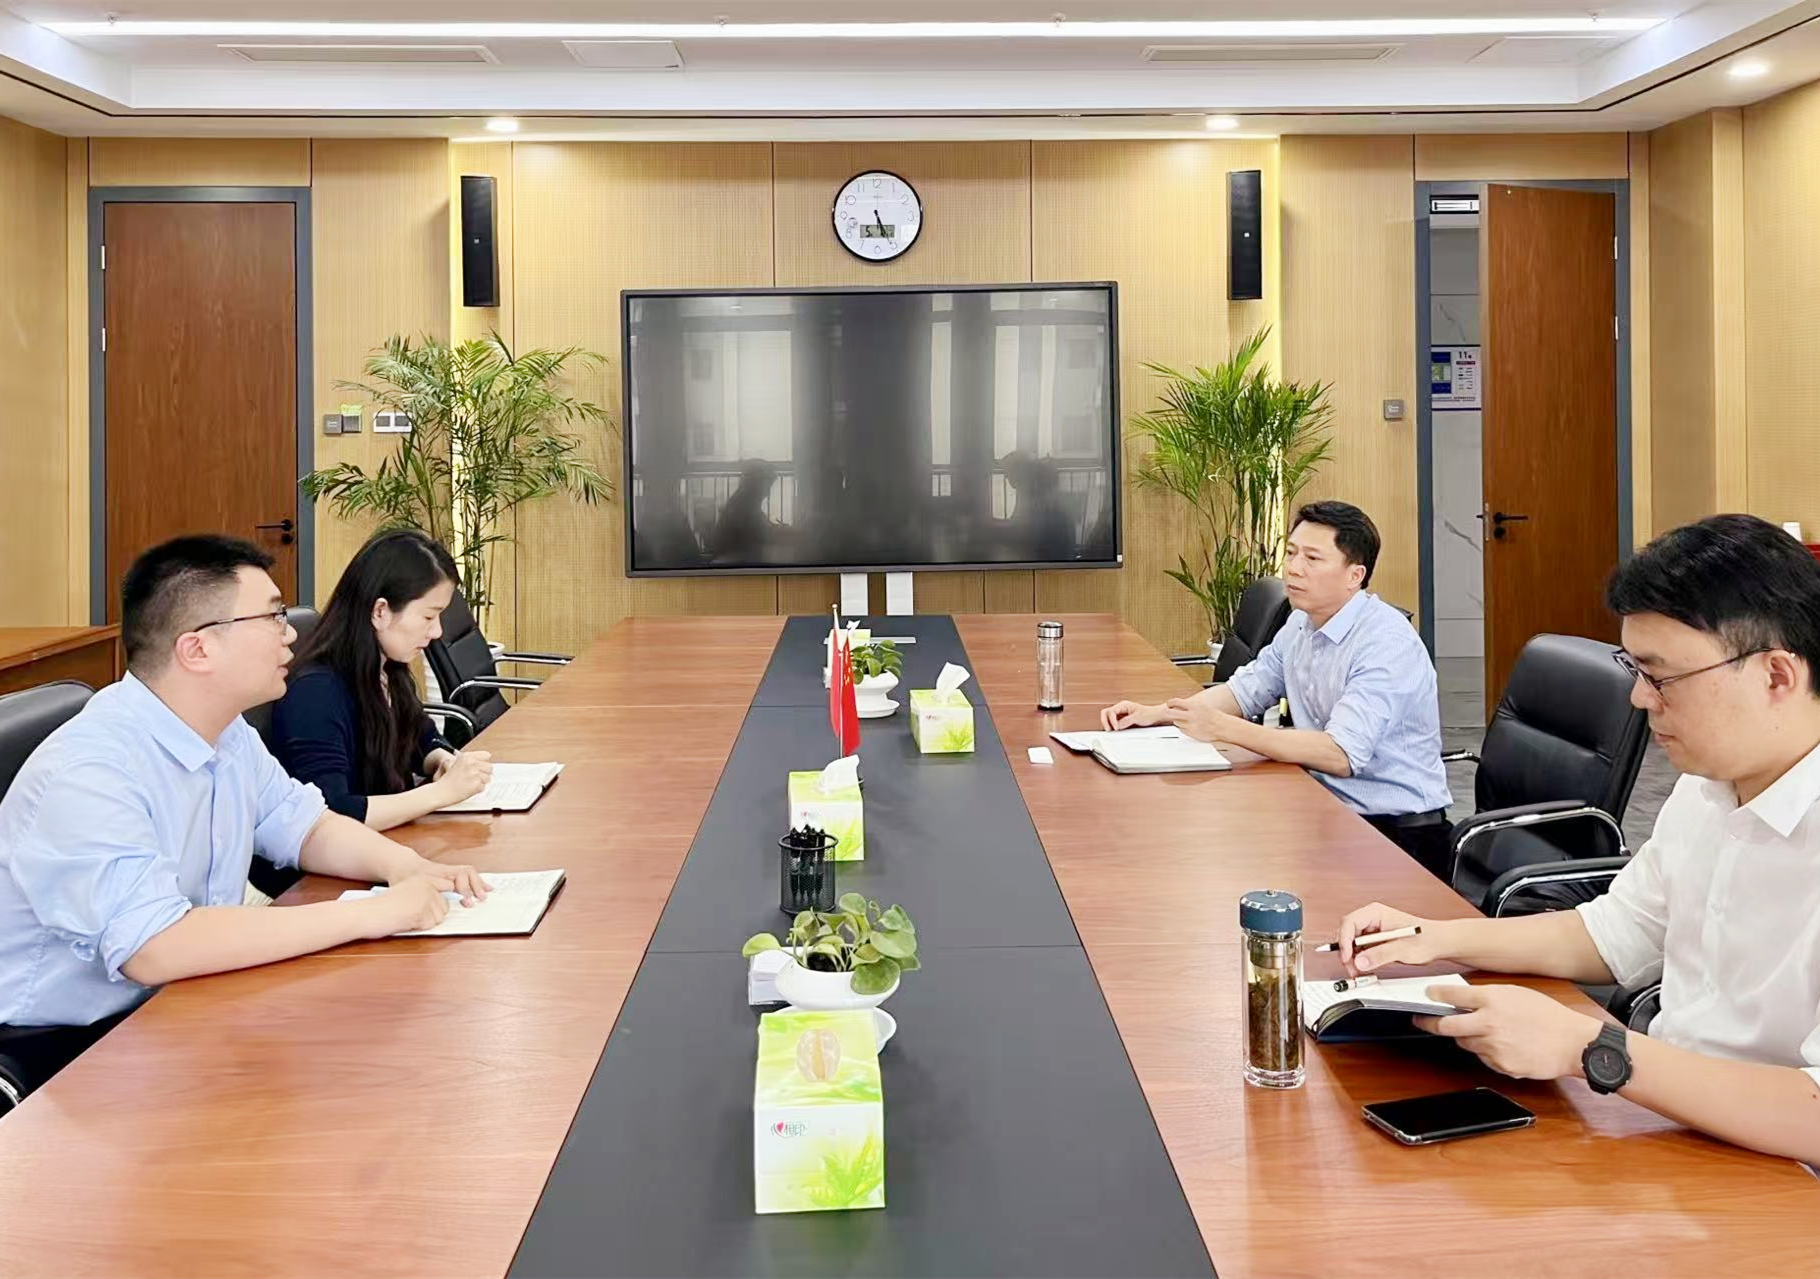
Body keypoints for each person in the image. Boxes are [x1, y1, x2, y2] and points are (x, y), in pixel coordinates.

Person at [1335, 514, 1820, 1163]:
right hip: (1680, 1128)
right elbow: (1615, 934)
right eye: (1634, 669)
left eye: (1661, 677)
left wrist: (1591, 1048)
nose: (1639, 699)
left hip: (1783, 1179)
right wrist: (1436, 937)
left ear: (1777, 676)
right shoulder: (1709, 786)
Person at [0, 535, 487, 1096]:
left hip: (182, 999)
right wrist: (373, 913)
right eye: (273, 617)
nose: (290, 633)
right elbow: (154, 946)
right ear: (198, 649)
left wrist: (407, 868)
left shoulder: (226, 733)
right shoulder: (90, 769)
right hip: (61, 1051)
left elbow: (306, 824)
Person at [1099, 501, 1453, 874]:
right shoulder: (1301, 622)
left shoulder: (1386, 643)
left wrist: (1222, 728)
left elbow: (1340, 754)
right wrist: (1160, 713)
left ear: (1355, 575)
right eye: (1291, 552)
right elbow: (1244, 691)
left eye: (1312, 558)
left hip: (1397, 834)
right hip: (1323, 804)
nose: (1293, 568)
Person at [272, 529, 493, 831]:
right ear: (380, 612)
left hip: (388, 842)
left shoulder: (388, 668)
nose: (437, 632)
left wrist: (442, 760)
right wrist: (441, 793)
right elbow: (330, 814)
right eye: (429, 617)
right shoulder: (315, 693)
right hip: (339, 857)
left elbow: (420, 737)